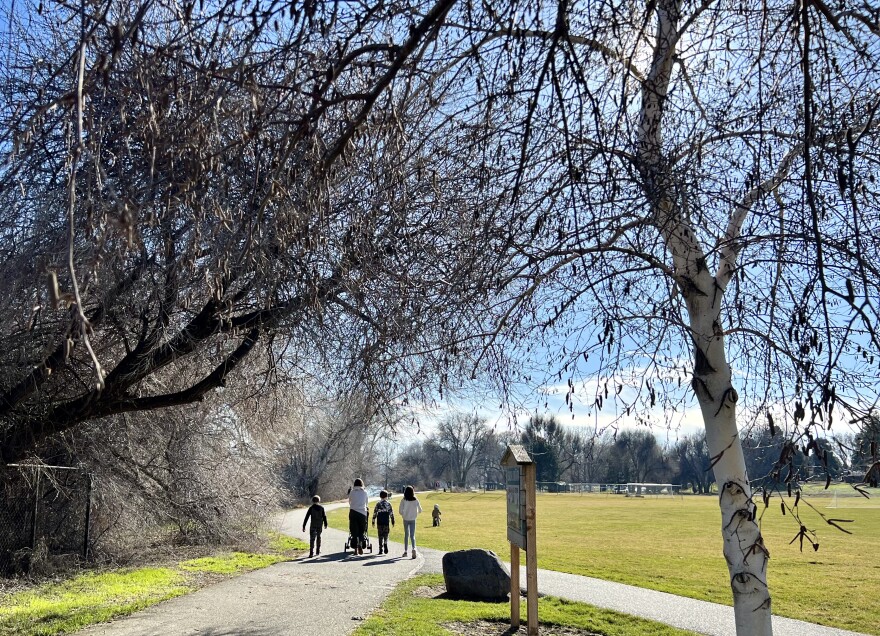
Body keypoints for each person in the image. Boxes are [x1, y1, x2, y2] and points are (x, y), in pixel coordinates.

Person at [398, 485, 423, 558]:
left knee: (406, 535)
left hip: (406, 519)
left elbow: (400, 511)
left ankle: (405, 551)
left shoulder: (403, 500)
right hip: (413, 519)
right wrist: (415, 513)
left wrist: (404, 514)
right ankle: (414, 548)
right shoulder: (415, 500)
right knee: (412, 535)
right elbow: (420, 510)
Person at [348, 478, 369, 555]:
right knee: (361, 530)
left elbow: (349, 501)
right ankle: (360, 543)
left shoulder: (352, 492)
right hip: (362, 513)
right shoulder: (365, 492)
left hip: (353, 511)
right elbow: (366, 503)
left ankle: (355, 549)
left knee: (354, 531)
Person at [371, 490, 395, 554]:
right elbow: (391, 513)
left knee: (380, 535)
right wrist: (393, 520)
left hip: (379, 522)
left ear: (380, 496)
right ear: (386, 496)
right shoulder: (388, 504)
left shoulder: (378, 504)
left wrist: (373, 521)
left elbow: (375, 513)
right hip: (386, 522)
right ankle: (385, 543)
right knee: (386, 534)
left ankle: (380, 548)